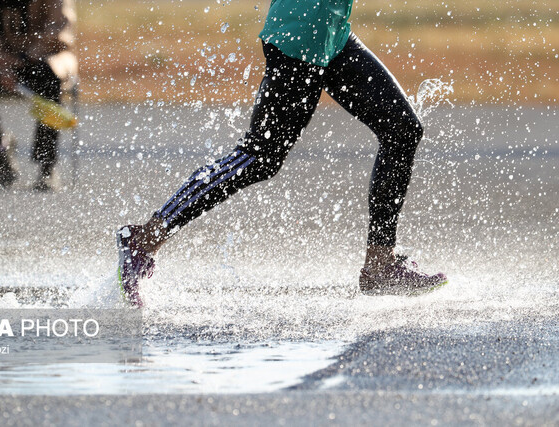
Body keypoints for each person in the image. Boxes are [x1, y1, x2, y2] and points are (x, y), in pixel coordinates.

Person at [117, 0, 447, 305]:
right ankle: (144, 239)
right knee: (259, 157)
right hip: (300, 33)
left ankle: (379, 266)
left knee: (403, 129)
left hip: (330, 34)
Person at [0, 0, 77, 191]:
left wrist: (25, 59)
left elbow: (59, 33)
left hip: (44, 58)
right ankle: (0, 147)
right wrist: (3, 64)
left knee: (49, 80)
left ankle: (47, 165)